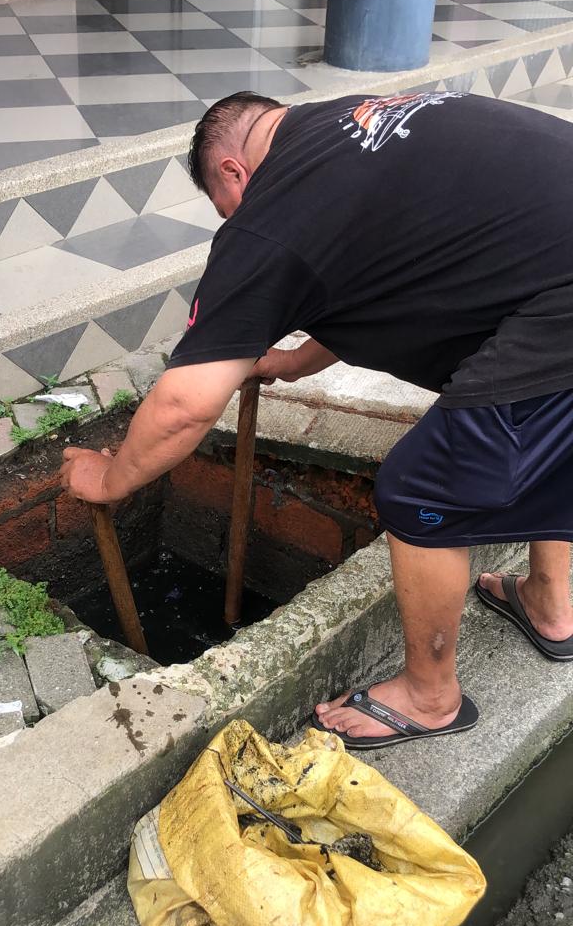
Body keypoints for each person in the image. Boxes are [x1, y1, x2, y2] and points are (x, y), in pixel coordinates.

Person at [60, 89, 573, 750]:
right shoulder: (346, 126)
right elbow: (374, 269)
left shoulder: (272, 209)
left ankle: (430, 698)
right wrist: (297, 362)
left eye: (226, 209)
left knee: (424, 488)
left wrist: (110, 479)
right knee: (538, 427)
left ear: (233, 172)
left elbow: (184, 404)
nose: (236, 221)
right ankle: (550, 603)